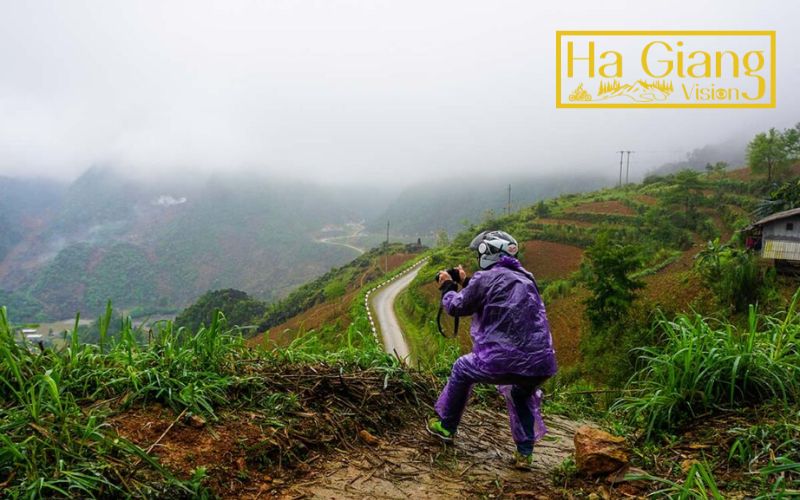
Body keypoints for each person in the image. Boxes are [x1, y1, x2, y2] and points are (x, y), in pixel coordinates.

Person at [426, 230, 558, 470]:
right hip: (540, 364)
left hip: (501, 361)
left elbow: (457, 307)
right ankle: (525, 453)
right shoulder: (527, 278)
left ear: (486, 252)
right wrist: (466, 281)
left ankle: (446, 427)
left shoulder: (486, 278)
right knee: (520, 393)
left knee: (461, 368)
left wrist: (447, 286)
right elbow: (495, 296)